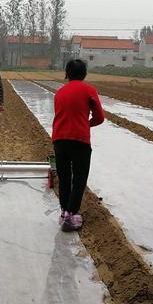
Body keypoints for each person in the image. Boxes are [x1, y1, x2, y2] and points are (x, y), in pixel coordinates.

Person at [52, 58, 104, 232]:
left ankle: (63, 212)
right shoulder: (89, 90)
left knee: (64, 177)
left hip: (59, 139)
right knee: (79, 178)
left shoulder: (59, 92)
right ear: (84, 74)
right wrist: (86, 124)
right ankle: (72, 215)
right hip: (80, 140)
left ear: (67, 73)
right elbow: (100, 117)